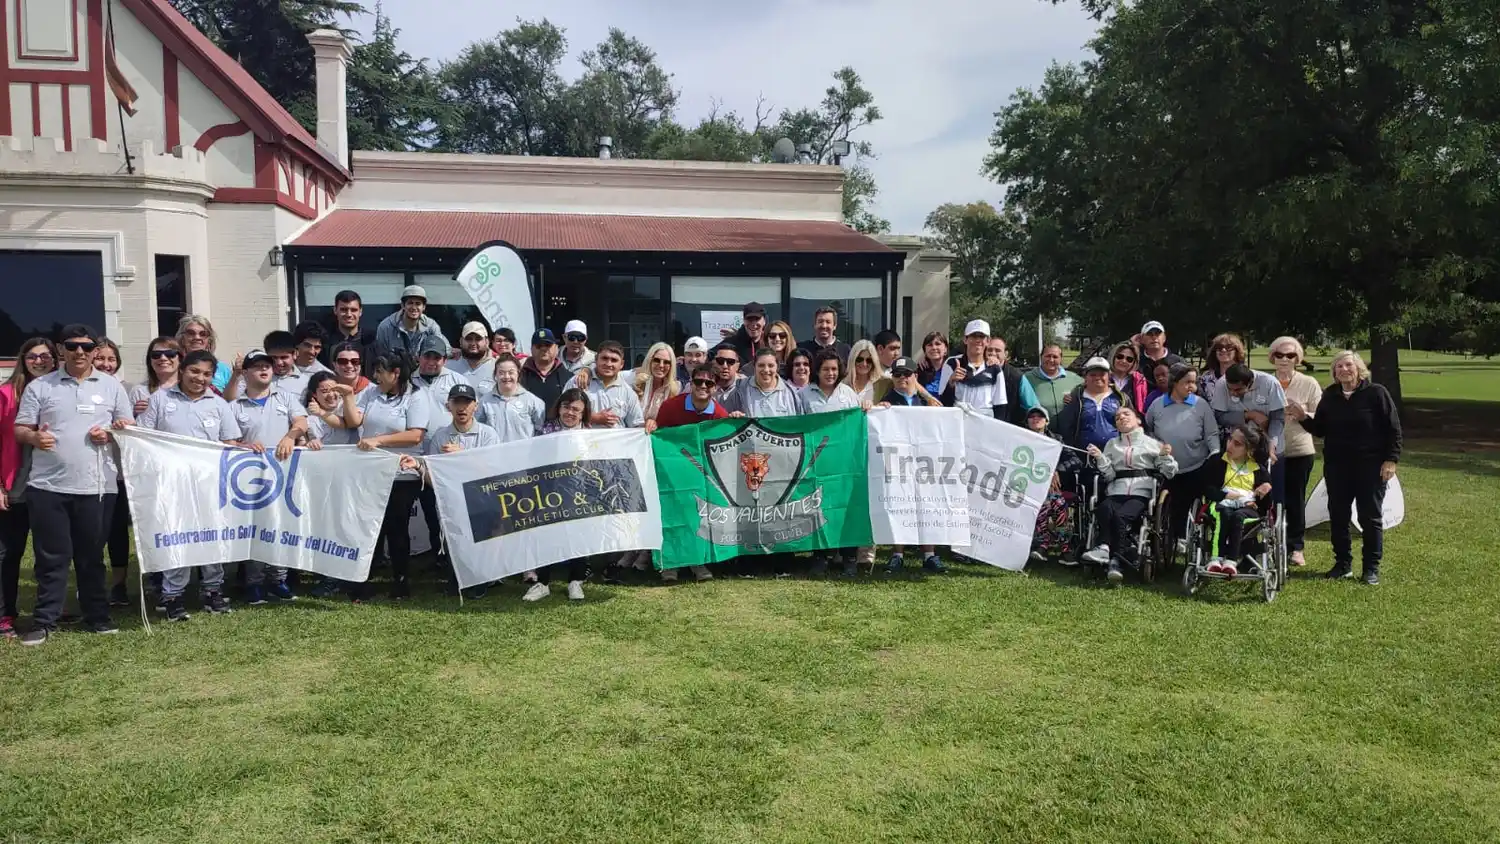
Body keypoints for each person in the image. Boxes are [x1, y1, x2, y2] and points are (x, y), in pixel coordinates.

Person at [12, 325, 134, 644]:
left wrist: (112, 432)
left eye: (87, 346)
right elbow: (20, 429)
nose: (80, 352)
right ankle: (44, 621)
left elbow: (128, 427)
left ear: (96, 349)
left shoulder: (111, 387)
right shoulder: (41, 386)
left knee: (91, 556)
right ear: (60, 348)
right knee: (52, 557)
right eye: (72, 346)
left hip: (97, 486)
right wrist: (35, 436)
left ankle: (97, 616)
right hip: (48, 487)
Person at [135, 349, 239, 622]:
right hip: (171, 484)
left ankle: (213, 590)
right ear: (182, 370)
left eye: (207, 374)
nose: (200, 378)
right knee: (177, 536)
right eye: (195, 371)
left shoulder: (219, 405)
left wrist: (246, 450)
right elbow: (142, 437)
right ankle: (172, 595)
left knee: (211, 536)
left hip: (208, 483)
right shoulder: (159, 400)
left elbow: (230, 444)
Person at [1288, 350, 1401, 585]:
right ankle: (1343, 564)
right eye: (1338, 367)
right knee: (1338, 516)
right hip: (1338, 466)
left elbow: (1393, 429)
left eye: (1348, 365)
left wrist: (1391, 460)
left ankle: (1371, 568)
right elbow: (1320, 429)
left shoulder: (1376, 393)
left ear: (1358, 368)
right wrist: (1302, 417)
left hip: (1370, 466)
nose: (1343, 369)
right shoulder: (1330, 396)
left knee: (1370, 517)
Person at [404, 383, 503, 599]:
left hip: (481, 499)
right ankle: (459, 578)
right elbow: (434, 478)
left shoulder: (488, 434)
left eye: (466, 402)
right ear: (449, 405)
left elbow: (492, 472)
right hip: (453, 501)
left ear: (475, 406)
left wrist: (462, 455)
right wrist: (419, 467)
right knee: (455, 542)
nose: (462, 407)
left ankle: (481, 579)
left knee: (481, 542)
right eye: (457, 402)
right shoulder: (440, 436)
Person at [230, 348, 310, 605]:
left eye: (267, 365)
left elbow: (302, 422)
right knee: (256, 529)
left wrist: (290, 436)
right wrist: (243, 446)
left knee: (281, 525)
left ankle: (278, 579)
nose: (264, 369)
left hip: (284, 471)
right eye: (256, 366)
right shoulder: (234, 405)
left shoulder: (285, 397)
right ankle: (253, 583)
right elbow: (228, 440)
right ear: (245, 373)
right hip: (249, 475)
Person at [354, 350, 429, 600]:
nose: (375, 376)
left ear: (395, 374)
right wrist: (344, 399)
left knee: (396, 527)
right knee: (370, 528)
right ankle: (364, 580)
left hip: (402, 472)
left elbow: (415, 435)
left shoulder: (416, 396)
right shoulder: (370, 392)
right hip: (371, 472)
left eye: (380, 371)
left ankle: (401, 582)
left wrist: (378, 440)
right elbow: (354, 419)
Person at [1081, 406, 1178, 584]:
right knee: (1103, 510)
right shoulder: (1112, 444)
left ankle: (1116, 560)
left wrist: (1164, 456)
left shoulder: (1152, 443)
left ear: (1138, 420)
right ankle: (1103, 547)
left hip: (1141, 492)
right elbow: (1109, 475)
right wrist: (1101, 458)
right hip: (1116, 489)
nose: (1121, 418)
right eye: (1117, 417)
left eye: (1126, 414)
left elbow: (1169, 472)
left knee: (1121, 516)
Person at [1, 338, 57, 638]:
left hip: (51, 487)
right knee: (8, 553)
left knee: (49, 553)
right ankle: (5, 614)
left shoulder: (61, 392)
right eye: (33, 356)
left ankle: (47, 612)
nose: (40, 361)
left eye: (46, 356)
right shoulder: (7, 395)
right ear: (23, 360)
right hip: (16, 486)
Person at [521, 389, 594, 602]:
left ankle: (576, 581)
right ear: (559, 408)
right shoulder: (546, 431)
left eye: (575, 409)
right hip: (549, 493)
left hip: (580, 494)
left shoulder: (592, 435)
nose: (570, 413)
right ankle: (542, 583)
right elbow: (533, 462)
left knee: (579, 538)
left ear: (583, 413)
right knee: (546, 537)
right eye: (566, 407)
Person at [877, 357, 947, 575]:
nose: (901, 379)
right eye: (897, 375)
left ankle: (929, 554)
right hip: (898, 464)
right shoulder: (887, 401)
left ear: (915, 376)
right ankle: (898, 554)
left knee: (926, 505)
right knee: (899, 505)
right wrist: (879, 410)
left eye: (906, 374)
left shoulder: (926, 402)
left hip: (924, 464)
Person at [650, 367, 720, 583]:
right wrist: (652, 425)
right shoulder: (671, 407)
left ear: (715, 388)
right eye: (699, 382)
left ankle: (698, 561)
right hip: (671, 470)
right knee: (671, 514)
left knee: (699, 516)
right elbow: (658, 437)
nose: (703, 387)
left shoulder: (719, 414)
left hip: (700, 474)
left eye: (708, 383)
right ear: (690, 383)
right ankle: (670, 563)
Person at [1145, 364, 1220, 551]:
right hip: (1166, 467)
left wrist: (1215, 454)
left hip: (1194, 465)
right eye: (1187, 382)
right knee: (1168, 505)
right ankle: (1167, 537)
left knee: (1187, 502)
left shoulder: (1200, 405)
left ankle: (1183, 537)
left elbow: (1211, 434)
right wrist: (1157, 446)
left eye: (1194, 382)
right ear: (1174, 383)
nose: (1192, 387)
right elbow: (1148, 431)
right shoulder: (1157, 405)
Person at [412, 334, 468, 573]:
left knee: (450, 513)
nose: (432, 362)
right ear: (419, 357)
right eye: (428, 356)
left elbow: (470, 413)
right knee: (428, 512)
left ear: (445, 359)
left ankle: (453, 559)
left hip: (447, 457)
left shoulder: (457, 379)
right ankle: (437, 554)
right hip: (415, 457)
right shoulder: (408, 381)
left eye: (438, 357)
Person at [1268, 337, 1322, 566]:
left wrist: (1302, 414)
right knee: (1271, 498)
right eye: (1279, 355)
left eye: (1290, 356)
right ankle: (1270, 542)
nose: (1284, 360)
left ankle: (1296, 547)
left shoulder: (1309, 383)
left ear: (1298, 359)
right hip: (1271, 451)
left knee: (1295, 499)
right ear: (1272, 357)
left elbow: (1320, 416)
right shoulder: (1266, 382)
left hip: (1300, 449)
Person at [91, 338, 133, 603]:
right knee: (91, 533)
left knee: (118, 530)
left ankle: (119, 585)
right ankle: (90, 583)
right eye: (101, 358)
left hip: (118, 472)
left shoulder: (127, 389)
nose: (106, 364)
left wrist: (125, 424)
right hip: (86, 473)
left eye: (111, 359)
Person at [1204, 424, 1272, 576]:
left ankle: (1231, 561)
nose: (1230, 445)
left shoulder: (1258, 469)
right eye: (1230, 440)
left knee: (1238, 516)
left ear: (1250, 450)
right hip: (1222, 504)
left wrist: (1266, 490)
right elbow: (1206, 489)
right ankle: (1216, 558)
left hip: (1248, 508)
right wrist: (1225, 496)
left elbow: (1266, 506)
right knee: (1225, 514)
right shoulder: (1217, 462)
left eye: (1237, 444)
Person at [1025, 406, 1084, 563]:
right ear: (1027, 421)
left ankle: (1046, 545)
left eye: (1040, 416)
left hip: (1050, 490)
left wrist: (1055, 470)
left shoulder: (1056, 440)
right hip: (1025, 486)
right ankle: (1061, 548)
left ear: (1047, 422)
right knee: (1050, 502)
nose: (1036, 419)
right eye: (1032, 416)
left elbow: (1076, 461)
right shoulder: (1021, 439)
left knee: (1056, 502)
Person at [1210, 363, 1286, 465]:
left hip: (1270, 448)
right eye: (1230, 389)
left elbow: (1278, 419)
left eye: (1238, 389)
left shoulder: (1270, 383)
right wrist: (1248, 415)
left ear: (1250, 383)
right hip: (1239, 451)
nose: (1233, 393)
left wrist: (1272, 445)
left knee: (1270, 480)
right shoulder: (1221, 384)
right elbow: (1220, 417)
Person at [1051, 356, 1128, 455]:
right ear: (1085, 377)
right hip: (1084, 458)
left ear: (1109, 376)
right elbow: (1067, 429)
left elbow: (1133, 425)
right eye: (1093, 374)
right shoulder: (1076, 399)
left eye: (1102, 374)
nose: (1097, 377)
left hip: (1116, 457)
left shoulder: (1121, 398)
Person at [477, 355, 546, 442]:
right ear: (495, 375)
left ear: (518, 373)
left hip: (524, 453)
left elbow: (540, 432)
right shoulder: (484, 401)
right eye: (501, 373)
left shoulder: (533, 401)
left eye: (511, 372)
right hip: (494, 453)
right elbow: (480, 430)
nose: (506, 377)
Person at [374, 285, 450, 360]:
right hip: (395, 369)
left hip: (423, 369)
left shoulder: (431, 326)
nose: (414, 307)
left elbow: (444, 349)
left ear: (424, 307)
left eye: (418, 304)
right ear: (403, 305)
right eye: (410, 303)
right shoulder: (385, 327)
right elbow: (380, 357)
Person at [581, 341, 645, 430]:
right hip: (584, 443)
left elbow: (637, 425)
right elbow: (563, 415)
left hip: (616, 443)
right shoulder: (579, 381)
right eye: (604, 358)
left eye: (614, 360)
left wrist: (651, 425)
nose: (608, 364)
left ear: (621, 364)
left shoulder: (628, 393)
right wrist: (594, 418)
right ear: (596, 359)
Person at [982, 336, 1041, 425]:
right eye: (989, 350)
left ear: (1006, 354)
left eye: (997, 350)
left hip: (1009, 429)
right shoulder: (977, 372)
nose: (993, 353)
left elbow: (1033, 407)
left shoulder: (1017, 377)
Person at [742, 348, 809, 420]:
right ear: (754, 367)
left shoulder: (791, 393)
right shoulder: (741, 388)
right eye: (761, 365)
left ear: (777, 367)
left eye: (771, 365)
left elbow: (800, 423)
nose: (766, 370)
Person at [321, 290, 376, 373]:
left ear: (360, 311)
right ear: (335, 310)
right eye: (344, 309)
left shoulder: (373, 342)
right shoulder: (325, 343)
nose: (349, 314)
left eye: (353, 310)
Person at [176, 314, 233, 393]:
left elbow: (231, 401)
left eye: (203, 334)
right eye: (191, 333)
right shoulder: (174, 367)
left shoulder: (222, 369)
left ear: (209, 340)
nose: (197, 337)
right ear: (182, 338)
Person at [1024, 343, 1082, 420]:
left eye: (1055, 357)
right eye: (1048, 356)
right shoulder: (1026, 379)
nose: (1051, 360)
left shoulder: (1075, 379)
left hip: (1068, 431)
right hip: (1038, 431)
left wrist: (1076, 399)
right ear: (1041, 357)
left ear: (1061, 358)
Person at [303, 372, 360, 448]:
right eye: (324, 391)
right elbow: (302, 442)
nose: (331, 395)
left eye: (334, 390)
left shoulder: (348, 405)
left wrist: (320, 412)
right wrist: (310, 443)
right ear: (314, 394)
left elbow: (344, 424)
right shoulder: (306, 415)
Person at [633, 343, 680, 433]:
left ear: (671, 366)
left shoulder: (675, 389)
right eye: (657, 360)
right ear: (649, 361)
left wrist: (656, 423)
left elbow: (672, 422)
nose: (661, 365)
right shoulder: (634, 380)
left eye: (666, 362)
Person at [521, 329, 573, 409]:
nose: (544, 349)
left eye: (548, 345)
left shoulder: (569, 377)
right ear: (531, 349)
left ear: (556, 348)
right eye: (539, 346)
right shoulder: (520, 376)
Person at [452, 322, 497, 394]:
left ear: (487, 342)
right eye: (469, 339)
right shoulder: (448, 366)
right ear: (461, 341)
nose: (473, 343)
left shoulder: (498, 367)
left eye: (478, 339)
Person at [1200, 333, 1246, 400]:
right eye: (1219, 347)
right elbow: (1196, 400)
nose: (1223, 350)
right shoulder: (1205, 378)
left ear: (1237, 351)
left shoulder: (1246, 376)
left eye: (1228, 348)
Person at [1106, 341, 1149, 412]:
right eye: (1120, 357)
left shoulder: (1140, 381)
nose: (1124, 361)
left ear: (1134, 363)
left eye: (1129, 359)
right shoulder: (1102, 377)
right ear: (1113, 357)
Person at [709, 343, 749, 414]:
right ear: (714, 363)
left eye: (730, 362)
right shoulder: (705, 384)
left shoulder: (747, 386)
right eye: (720, 361)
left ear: (737, 366)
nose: (725, 366)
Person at [843, 340, 885, 406]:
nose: (864, 364)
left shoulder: (882, 384)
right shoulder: (842, 385)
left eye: (869, 360)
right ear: (853, 360)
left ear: (874, 362)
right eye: (859, 359)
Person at [916, 332, 949, 396]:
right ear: (925, 350)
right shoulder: (918, 370)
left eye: (938, 344)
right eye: (930, 345)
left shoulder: (952, 369)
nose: (934, 347)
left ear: (945, 349)